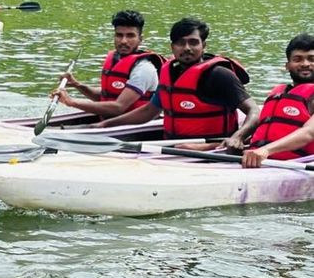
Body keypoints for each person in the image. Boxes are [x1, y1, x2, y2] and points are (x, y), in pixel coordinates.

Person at [95, 17, 259, 151]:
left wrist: (238, 137)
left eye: (193, 42)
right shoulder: (170, 73)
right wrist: (107, 124)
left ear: (204, 46)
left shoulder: (219, 75)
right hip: (173, 149)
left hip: (209, 150)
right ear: (172, 47)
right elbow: (149, 111)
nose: (187, 48)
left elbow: (254, 111)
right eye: (180, 43)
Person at [52, 10, 165, 118]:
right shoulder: (115, 59)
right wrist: (77, 85)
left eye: (130, 36)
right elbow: (104, 96)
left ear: (140, 39)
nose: (123, 41)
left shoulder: (144, 69)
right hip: (112, 123)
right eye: (119, 35)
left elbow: (118, 107)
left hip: (133, 127)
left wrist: (71, 102)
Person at [242, 33, 314, 167]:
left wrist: (266, 150)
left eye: (311, 59)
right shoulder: (277, 93)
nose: (305, 64)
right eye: (298, 59)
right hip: (259, 160)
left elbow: (308, 133)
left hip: (298, 164)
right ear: (287, 66)